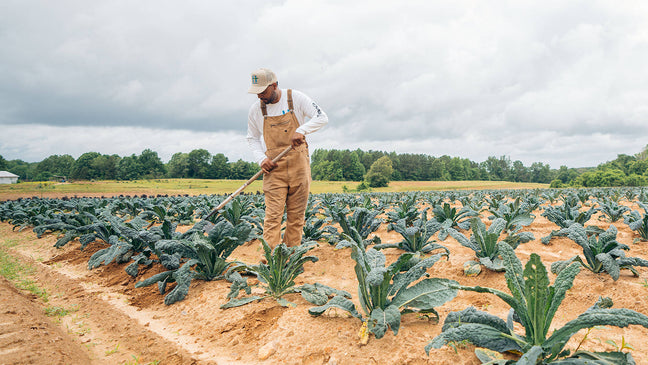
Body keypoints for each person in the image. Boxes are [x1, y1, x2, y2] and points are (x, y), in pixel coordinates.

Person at [246, 68, 328, 249]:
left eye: (263, 91)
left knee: (296, 217)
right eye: (257, 92)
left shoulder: (295, 98)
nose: (260, 96)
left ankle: (290, 259)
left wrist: (302, 130)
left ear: (274, 85)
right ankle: (269, 263)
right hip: (274, 170)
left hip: (299, 167)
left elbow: (322, 117)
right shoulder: (256, 110)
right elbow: (252, 138)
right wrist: (261, 159)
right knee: (272, 217)